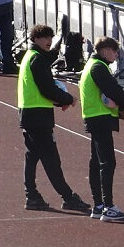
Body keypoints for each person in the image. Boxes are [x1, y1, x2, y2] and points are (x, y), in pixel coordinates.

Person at [19, 23, 92, 213]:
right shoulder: (37, 60)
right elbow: (47, 87)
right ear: (35, 39)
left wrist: (59, 101)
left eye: (50, 38)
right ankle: (67, 197)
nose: (49, 41)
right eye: (45, 38)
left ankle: (31, 195)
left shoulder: (30, 57)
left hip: (29, 113)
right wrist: (67, 98)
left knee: (32, 155)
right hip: (39, 116)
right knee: (51, 158)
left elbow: (43, 85)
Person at [80, 36, 124, 221]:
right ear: (105, 51)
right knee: (107, 162)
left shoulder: (91, 66)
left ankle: (99, 206)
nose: (117, 54)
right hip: (100, 118)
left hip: (94, 117)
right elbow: (114, 89)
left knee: (96, 162)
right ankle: (108, 207)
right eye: (114, 51)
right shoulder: (98, 67)